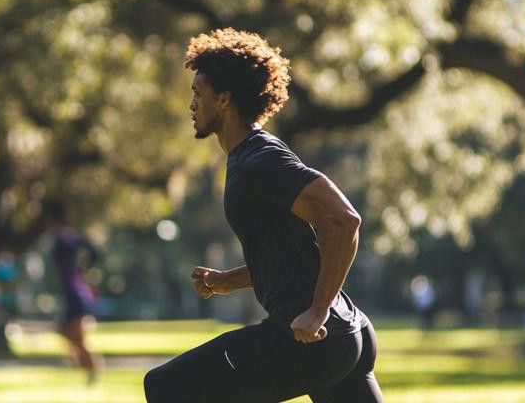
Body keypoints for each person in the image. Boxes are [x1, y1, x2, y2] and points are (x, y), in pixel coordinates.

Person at [144, 28, 383, 402]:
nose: (192, 104)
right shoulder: (249, 157)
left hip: (312, 336)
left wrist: (317, 310)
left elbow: (343, 220)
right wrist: (229, 280)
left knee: (165, 388)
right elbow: (289, 254)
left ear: (223, 100)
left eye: (197, 93)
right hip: (343, 333)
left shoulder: (259, 159)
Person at [47, 202, 103, 384]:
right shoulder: (62, 236)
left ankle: (92, 367)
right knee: (65, 332)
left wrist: (82, 269)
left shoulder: (66, 237)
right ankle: (85, 365)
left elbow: (92, 250)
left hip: (75, 292)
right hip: (72, 290)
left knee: (77, 337)